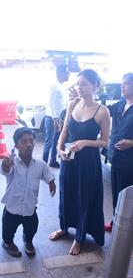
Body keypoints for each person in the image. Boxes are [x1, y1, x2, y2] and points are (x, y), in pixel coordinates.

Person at [49, 69, 111, 255]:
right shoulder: (72, 104)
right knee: (66, 193)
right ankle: (65, 226)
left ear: (95, 86)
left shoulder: (102, 111)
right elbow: (65, 131)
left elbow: (105, 141)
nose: (80, 87)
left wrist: (85, 143)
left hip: (88, 163)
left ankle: (80, 237)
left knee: (85, 197)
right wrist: (60, 149)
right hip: (69, 158)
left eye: (84, 84)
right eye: (78, 84)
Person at [0, 127, 56, 257]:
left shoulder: (40, 164)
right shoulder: (11, 163)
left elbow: (47, 172)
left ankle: (28, 241)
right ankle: (7, 243)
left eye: (31, 141)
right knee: (8, 229)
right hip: (12, 208)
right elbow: (4, 170)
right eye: (24, 141)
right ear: (16, 146)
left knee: (32, 228)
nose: (29, 144)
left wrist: (51, 182)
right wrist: (5, 165)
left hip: (30, 208)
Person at [104, 73, 133, 232]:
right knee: (116, 192)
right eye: (122, 83)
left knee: (128, 195)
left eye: (126, 83)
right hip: (115, 158)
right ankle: (116, 221)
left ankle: (127, 226)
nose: (122, 86)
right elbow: (103, 110)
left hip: (130, 161)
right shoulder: (120, 104)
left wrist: (131, 143)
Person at [42, 64, 70, 168]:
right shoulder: (54, 86)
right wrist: (55, 120)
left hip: (59, 118)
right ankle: (43, 166)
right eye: (67, 72)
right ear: (61, 73)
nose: (69, 74)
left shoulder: (61, 86)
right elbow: (51, 103)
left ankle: (52, 161)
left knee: (55, 141)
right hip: (52, 118)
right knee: (48, 143)